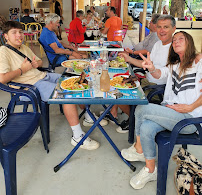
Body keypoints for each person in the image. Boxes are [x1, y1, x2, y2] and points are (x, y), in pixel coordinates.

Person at [0, 21, 102, 150]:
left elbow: (40, 61)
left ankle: (87, 115)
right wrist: (22, 70)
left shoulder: (23, 47)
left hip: (42, 76)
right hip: (28, 88)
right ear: (6, 36)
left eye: (20, 32)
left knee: (76, 82)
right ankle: (77, 137)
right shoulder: (3, 51)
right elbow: (2, 78)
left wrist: (37, 63)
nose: (19, 35)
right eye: (14, 33)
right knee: (67, 95)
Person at [121, 31, 202, 190]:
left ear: (190, 43)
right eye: (174, 40)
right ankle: (150, 169)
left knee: (142, 108)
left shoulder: (199, 63)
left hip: (189, 119)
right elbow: (159, 74)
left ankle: (139, 149)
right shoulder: (174, 65)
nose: (176, 42)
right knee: (146, 127)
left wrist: (191, 106)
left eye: (181, 39)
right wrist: (151, 68)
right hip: (170, 113)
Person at [109, 15, 176, 133]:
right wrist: (128, 58)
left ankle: (133, 120)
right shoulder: (158, 44)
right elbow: (145, 64)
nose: (161, 30)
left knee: (119, 94)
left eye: (166, 27)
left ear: (174, 28)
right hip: (146, 80)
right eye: (159, 26)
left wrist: (151, 71)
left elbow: (166, 74)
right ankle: (133, 118)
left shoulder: (175, 48)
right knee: (114, 87)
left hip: (157, 88)